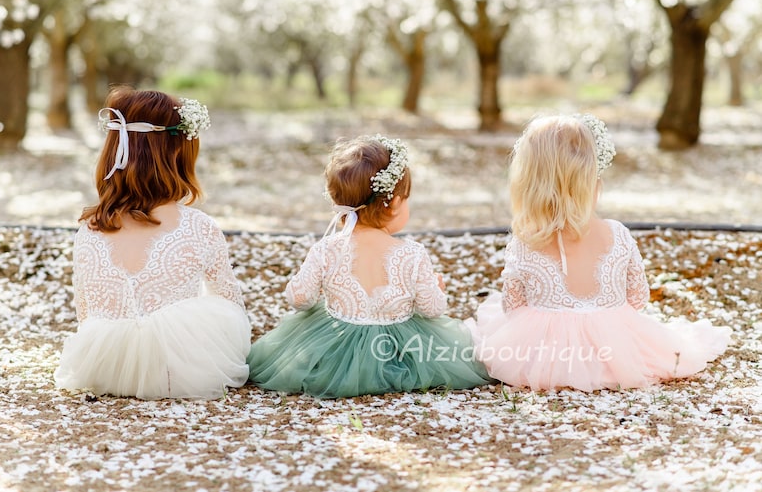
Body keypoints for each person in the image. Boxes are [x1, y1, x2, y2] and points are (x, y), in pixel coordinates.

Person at [465, 114, 731, 392]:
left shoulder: (524, 242)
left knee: (494, 319)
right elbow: (638, 299)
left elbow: (513, 308)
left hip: (546, 359)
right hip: (617, 355)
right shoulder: (617, 234)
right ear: (592, 177)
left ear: (528, 182)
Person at [247, 134, 492, 398]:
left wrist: (300, 282)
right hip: (402, 349)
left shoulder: (327, 249)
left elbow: (300, 299)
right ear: (396, 203)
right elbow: (433, 309)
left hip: (336, 350)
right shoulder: (411, 253)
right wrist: (437, 288)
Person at [54, 86, 251, 400]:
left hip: (102, 367)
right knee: (221, 308)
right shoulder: (199, 226)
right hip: (181, 372)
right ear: (177, 154)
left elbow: (86, 314)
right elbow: (232, 306)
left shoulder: (89, 229)